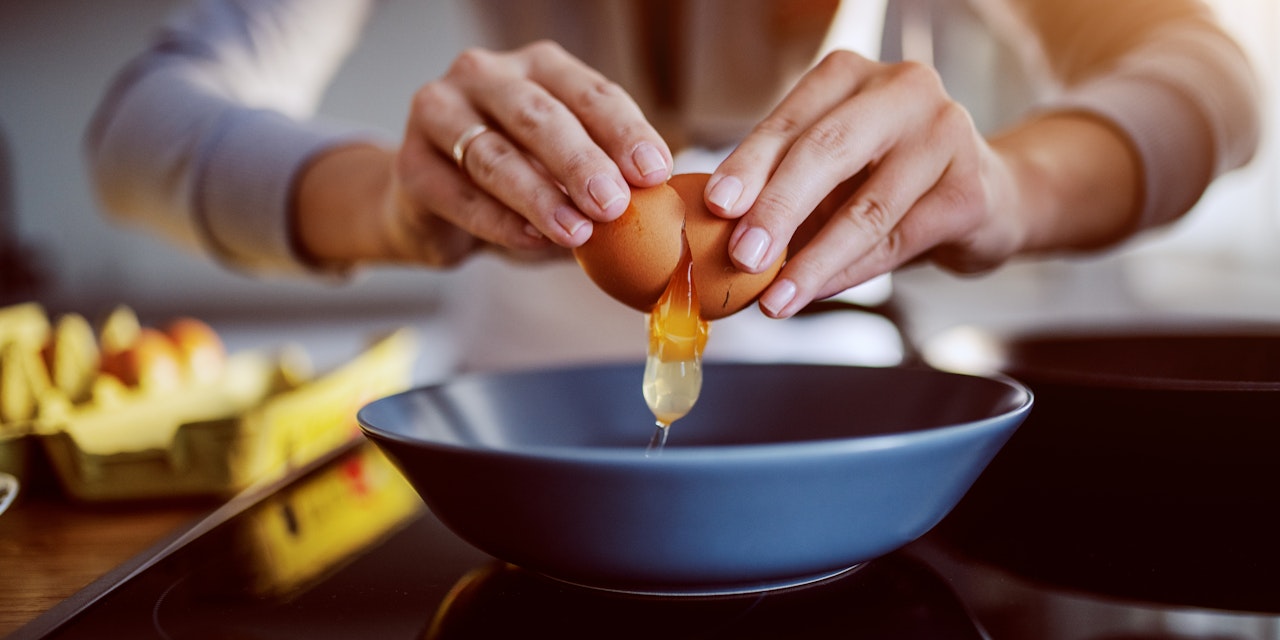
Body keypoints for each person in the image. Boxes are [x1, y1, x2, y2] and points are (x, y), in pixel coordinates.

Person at [85, 0, 1260, 371]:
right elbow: (138, 124)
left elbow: (1217, 79)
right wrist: (390, 205)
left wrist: (1011, 191)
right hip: (515, 438)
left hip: (852, 433)